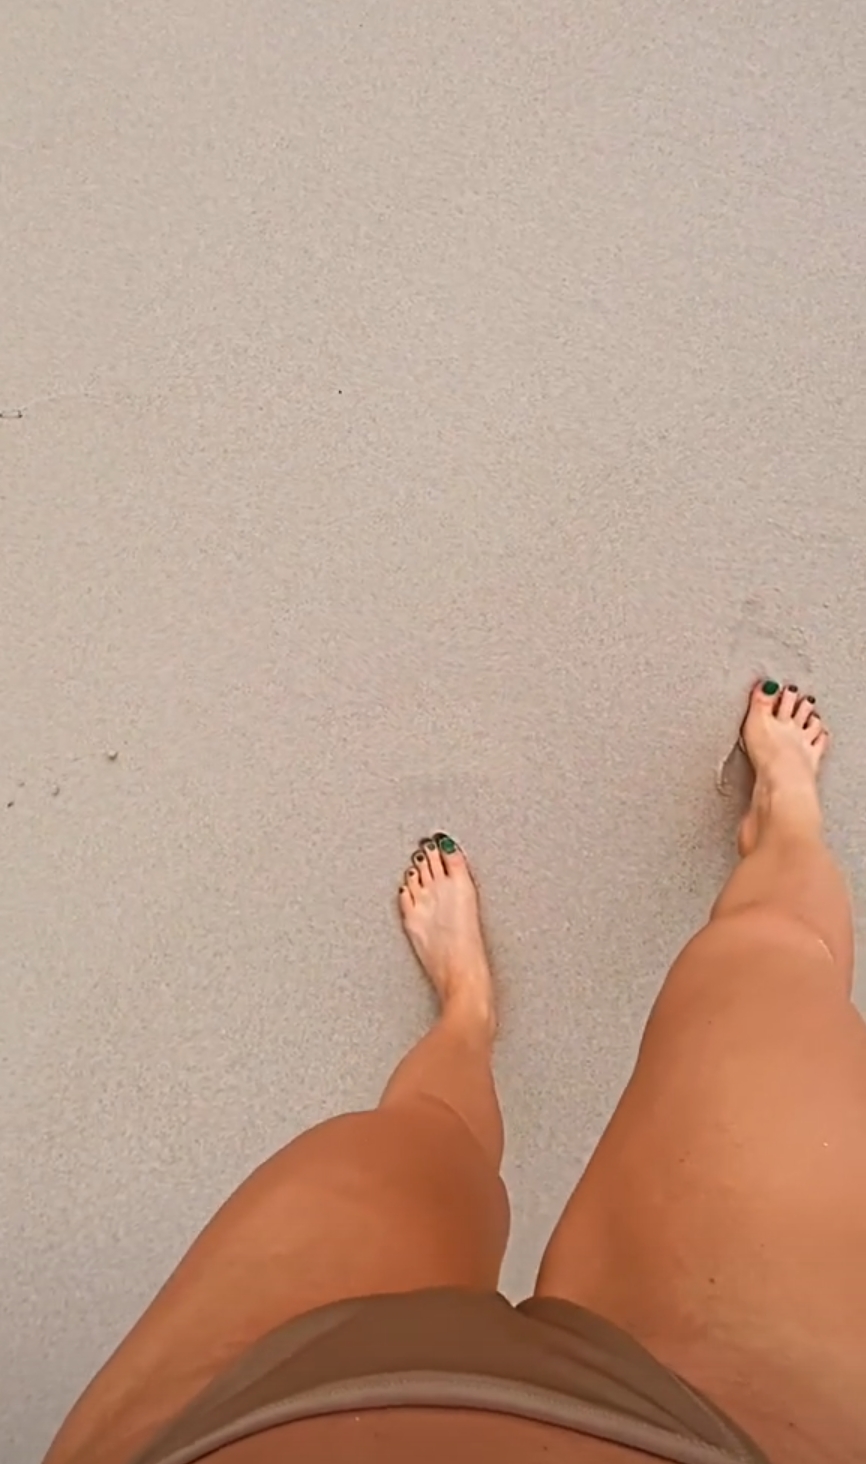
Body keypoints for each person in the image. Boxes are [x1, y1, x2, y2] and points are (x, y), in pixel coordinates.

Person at [43, 680, 864, 1464]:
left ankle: (472, 1018)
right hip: (755, 1433)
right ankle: (779, 831)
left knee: (417, 1141)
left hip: (251, 1417)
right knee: (771, 973)